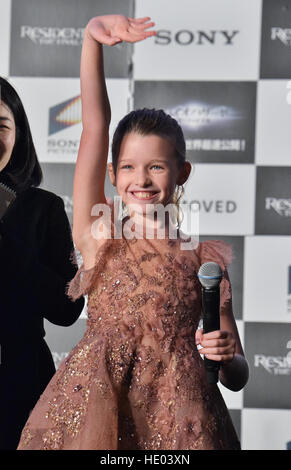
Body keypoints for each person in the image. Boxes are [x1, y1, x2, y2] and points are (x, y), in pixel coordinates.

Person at [17, 14, 249, 451]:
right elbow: (94, 125)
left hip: (181, 423)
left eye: (156, 166)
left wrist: (226, 358)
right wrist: (92, 40)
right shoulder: (97, 231)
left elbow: (237, 374)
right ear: (112, 173)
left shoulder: (205, 262)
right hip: (98, 414)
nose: (140, 179)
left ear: (182, 173)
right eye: (128, 167)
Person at [0, 77, 85, 449]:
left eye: (1, 125)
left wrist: (9, 248)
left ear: (19, 134)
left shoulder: (43, 208)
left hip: (21, 385)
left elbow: (68, 309)